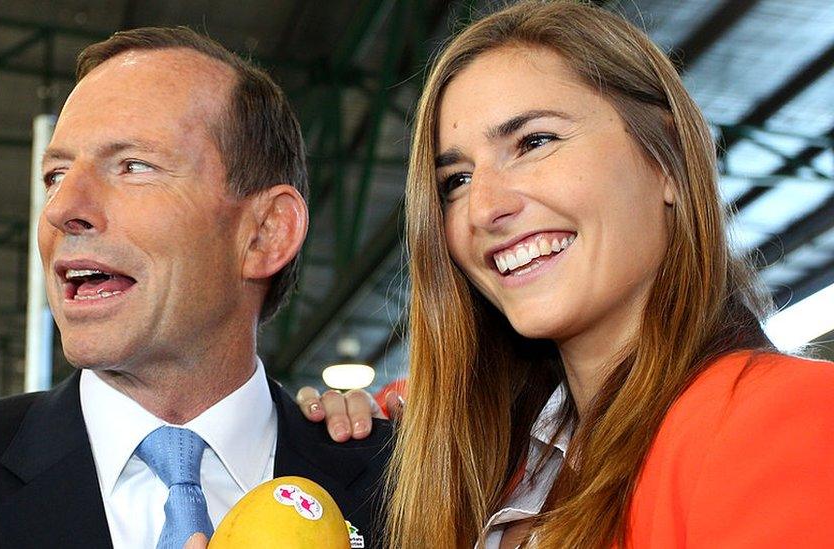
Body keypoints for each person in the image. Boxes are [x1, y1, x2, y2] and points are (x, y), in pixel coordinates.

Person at [300, 1, 834, 548]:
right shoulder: (488, 470)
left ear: (667, 159)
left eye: (534, 142)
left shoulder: (788, 420)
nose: (483, 208)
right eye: (456, 180)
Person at [0, 27, 391, 549]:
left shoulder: (408, 487)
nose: (63, 209)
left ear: (265, 233)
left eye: (133, 166)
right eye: (55, 174)